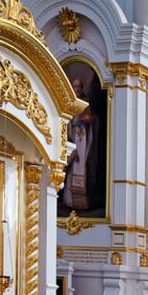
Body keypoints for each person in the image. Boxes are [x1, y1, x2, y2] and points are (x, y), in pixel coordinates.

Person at [61, 78, 101, 214]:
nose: (77, 89)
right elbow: (65, 120)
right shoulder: (69, 102)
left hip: (83, 140)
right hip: (72, 137)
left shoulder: (85, 102)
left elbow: (91, 119)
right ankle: (70, 201)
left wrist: (87, 120)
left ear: (82, 88)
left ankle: (81, 202)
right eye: (75, 86)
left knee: (82, 166)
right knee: (72, 167)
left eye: (79, 86)